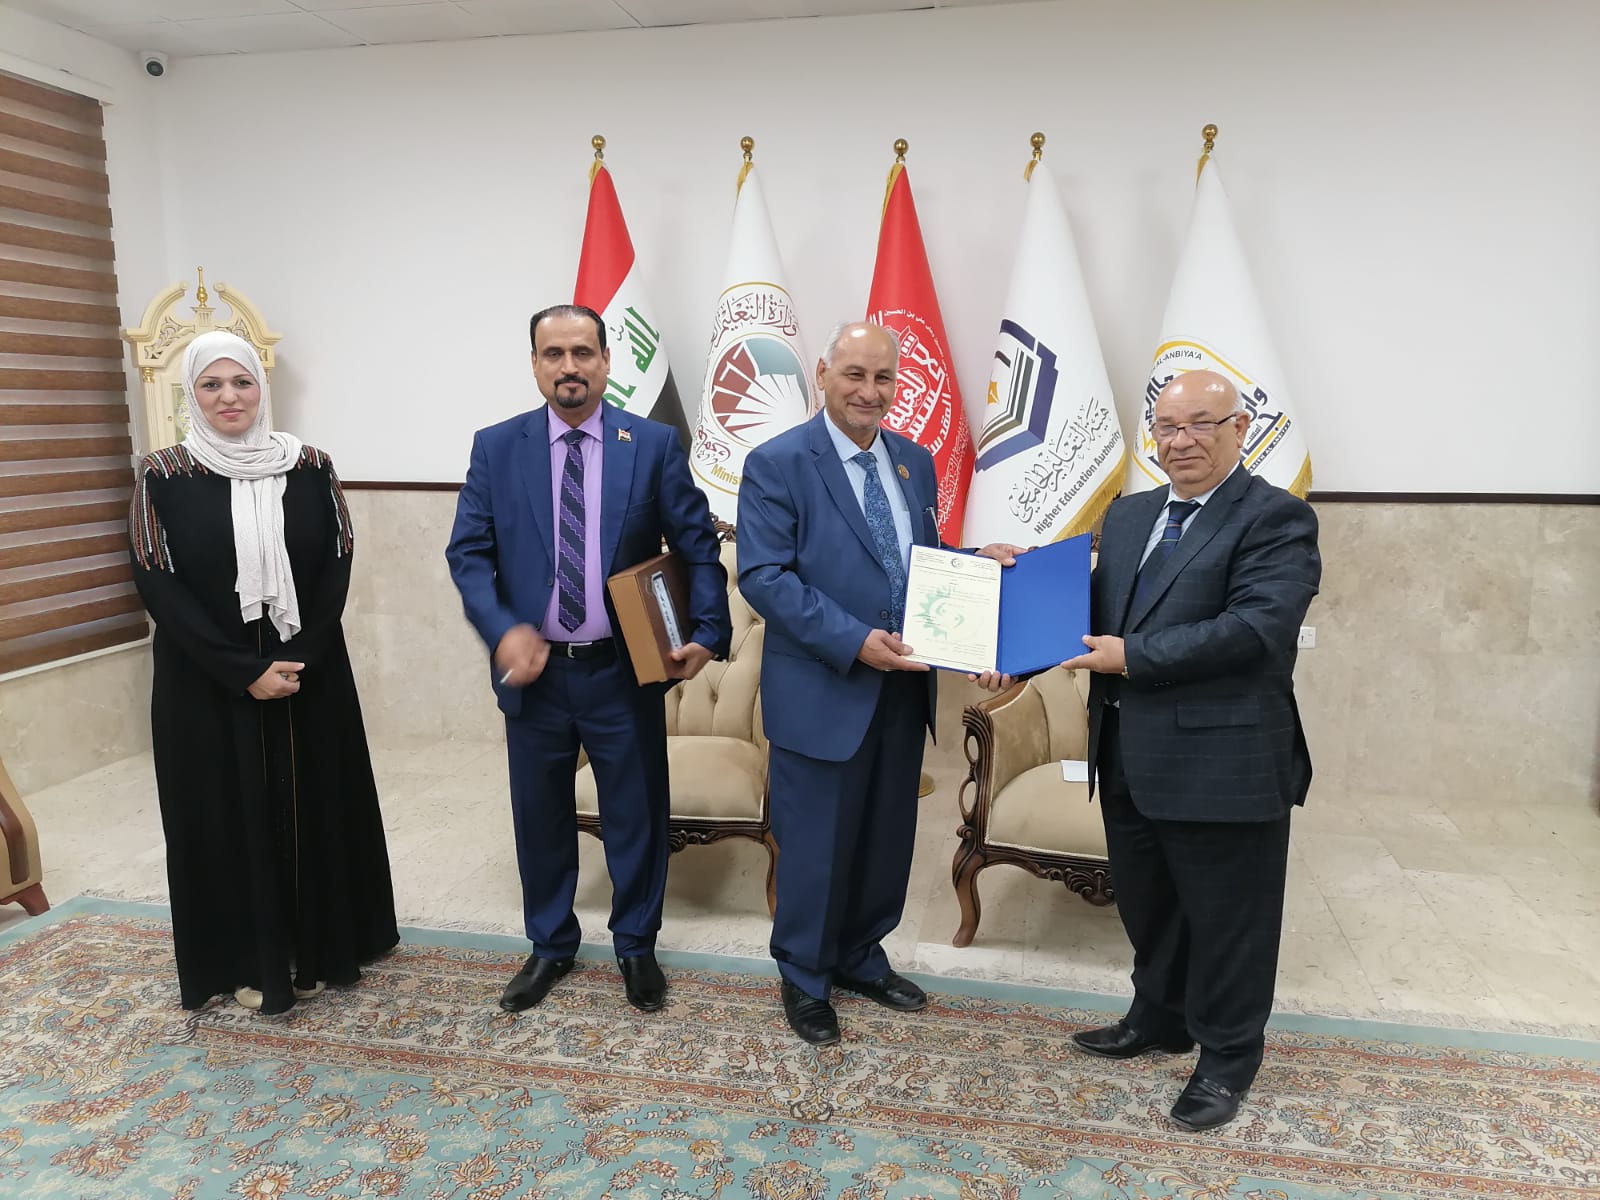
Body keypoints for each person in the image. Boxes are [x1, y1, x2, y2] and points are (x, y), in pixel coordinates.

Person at [736, 321, 1022, 1046]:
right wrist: (853, 640)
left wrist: (975, 564)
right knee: (815, 844)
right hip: (824, 687)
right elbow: (764, 577)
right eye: (854, 374)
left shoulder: (913, 461)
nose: (869, 391)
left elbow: (915, 561)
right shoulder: (777, 463)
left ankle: (862, 955)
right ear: (823, 374)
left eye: (883, 378)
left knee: (885, 836)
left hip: (903, 688)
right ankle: (805, 976)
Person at [446, 304, 730, 1015]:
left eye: (582, 352)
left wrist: (707, 630)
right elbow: (468, 554)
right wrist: (502, 630)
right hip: (535, 675)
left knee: (636, 813)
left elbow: (697, 545)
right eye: (554, 354)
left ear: (606, 362)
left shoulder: (652, 444)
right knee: (539, 815)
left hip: (620, 669)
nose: (568, 367)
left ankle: (636, 946)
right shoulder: (496, 447)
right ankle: (550, 945)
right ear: (535, 364)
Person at [1060, 368, 1321, 1131]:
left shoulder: (1276, 518)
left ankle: (1228, 1058)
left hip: (1224, 765)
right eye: (1168, 427)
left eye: (1202, 423)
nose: (1182, 442)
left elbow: (1255, 629)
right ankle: (1159, 1018)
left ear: (1240, 429)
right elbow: (1098, 609)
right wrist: (1015, 591)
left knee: (1229, 922)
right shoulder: (1131, 512)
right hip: (1127, 753)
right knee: (1151, 907)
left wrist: (1132, 657)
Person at [128, 330, 398, 1016]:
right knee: (227, 816)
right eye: (211, 385)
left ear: (261, 387)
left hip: (308, 672)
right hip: (206, 681)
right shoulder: (163, 475)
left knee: (313, 807)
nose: (230, 397)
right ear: (190, 394)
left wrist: (298, 657)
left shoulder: (309, 466)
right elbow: (157, 582)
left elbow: (337, 563)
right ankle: (246, 961)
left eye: (242, 382)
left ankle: (320, 948)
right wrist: (241, 671)